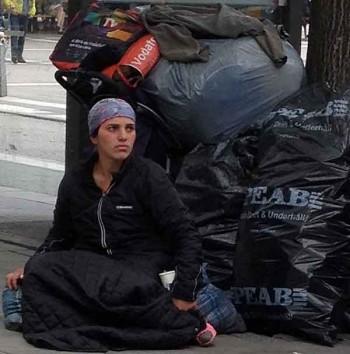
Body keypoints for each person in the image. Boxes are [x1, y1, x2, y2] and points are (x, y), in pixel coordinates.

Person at [5, 98, 216, 351]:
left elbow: (186, 235)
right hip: (92, 267)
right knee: (37, 272)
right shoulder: (76, 179)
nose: (123, 137)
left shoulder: (149, 176)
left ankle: (184, 322)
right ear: (94, 137)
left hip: (140, 270)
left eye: (129, 128)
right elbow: (60, 236)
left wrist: (184, 292)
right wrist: (30, 268)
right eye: (113, 128)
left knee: (108, 293)